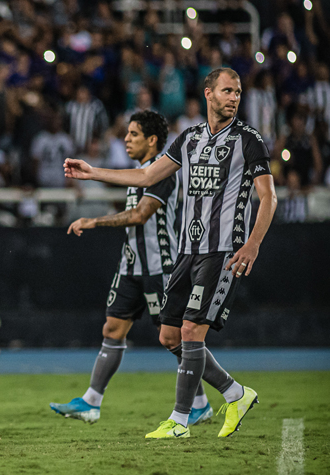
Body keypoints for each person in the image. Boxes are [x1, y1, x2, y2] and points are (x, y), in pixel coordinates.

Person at [65, 68, 277, 439]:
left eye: (238, 92)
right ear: (208, 93)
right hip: (186, 251)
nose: (234, 98)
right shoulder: (190, 139)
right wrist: (92, 172)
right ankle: (235, 393)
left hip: (222, 249)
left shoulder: (249, 139)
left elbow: (268, 197)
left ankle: (180, 420)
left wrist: (253, 243)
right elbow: (147, 176)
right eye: (227, 91)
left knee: (193, 331)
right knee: (170, 337)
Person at [49, 111, 212, 426]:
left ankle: (203, 402)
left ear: (152, 140)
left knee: (174, 340)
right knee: (112, 329)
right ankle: (91, 402)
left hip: (160, 267)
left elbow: (140, 215)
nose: (126, 139)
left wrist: (93, 220)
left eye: (134, 134)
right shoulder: (137, 173)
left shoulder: (162, 171)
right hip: (131, 266)